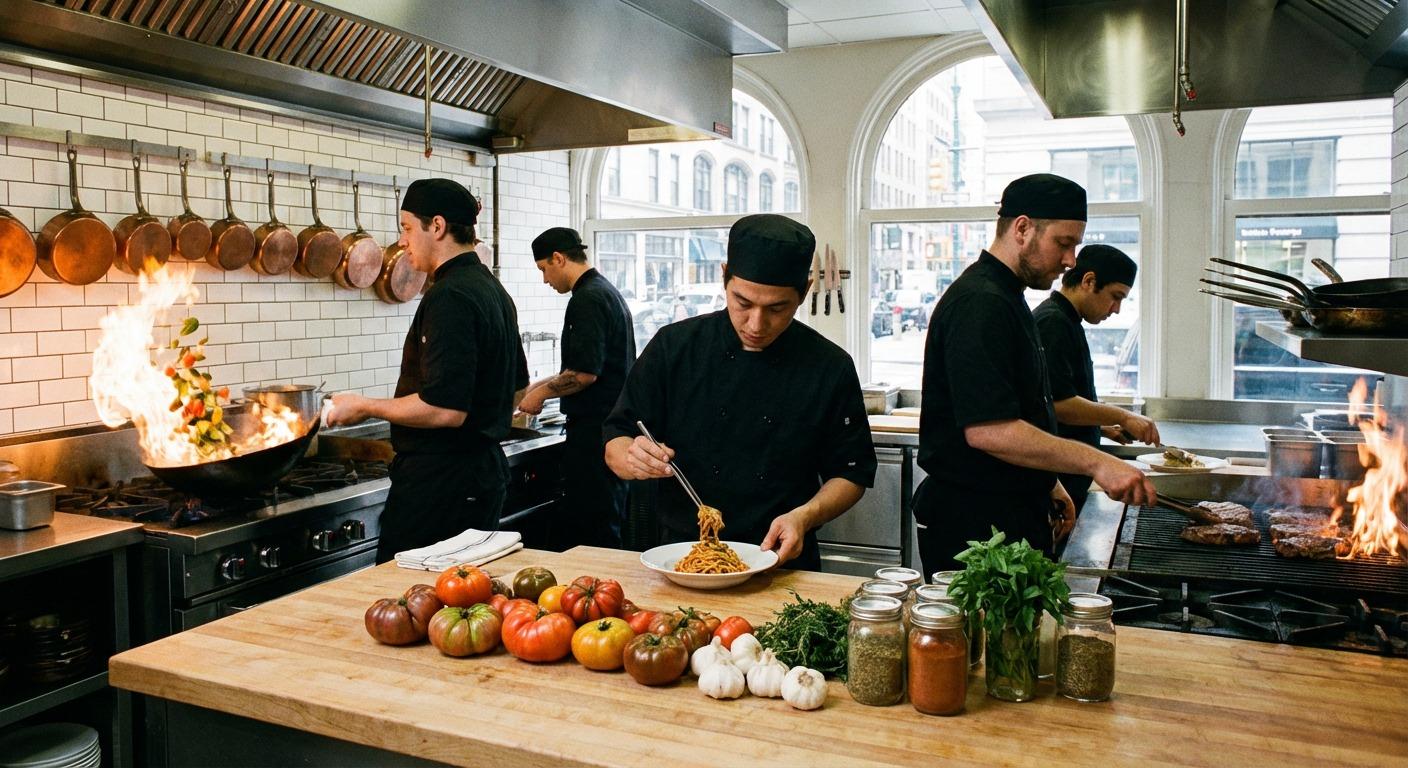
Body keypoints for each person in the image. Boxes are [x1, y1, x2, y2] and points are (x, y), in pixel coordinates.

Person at [602, 214, 877, 570]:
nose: (756, 324)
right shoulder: (674, 347)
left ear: (805, 291)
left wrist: (805, 516)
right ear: (724, 277)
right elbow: (617, 440)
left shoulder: (829, 366)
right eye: (743, 303)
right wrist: (632, 458)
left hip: (783, 561)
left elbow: (851, 473)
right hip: (683, 559)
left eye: (777, 308)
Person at [913, 173, 1156, 573]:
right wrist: (1096, 462)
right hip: (975, 524)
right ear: (1023, 229)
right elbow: (989, 430)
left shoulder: (1009, 297)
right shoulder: (981, 302)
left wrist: (1048, 481)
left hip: (1005, 511)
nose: (1071, 260)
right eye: (1064, 243)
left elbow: (1026, 408)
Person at [328, 179, 528, 563]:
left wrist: (365, 406)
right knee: (460, 593)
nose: (402, 241)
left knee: (409, 591)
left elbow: (445, 409)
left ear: (436, 226)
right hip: (479, 476)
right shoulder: (492, 289)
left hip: (442, 485)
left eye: (406, 228)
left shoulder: (450, 295)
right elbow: (518, 387)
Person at [518, 227, 635, 549]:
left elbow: (584, 374)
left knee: (596, 526)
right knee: (603, 519)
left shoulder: (587, 299)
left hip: (594, 434)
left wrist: (540, 395)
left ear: (559, 258)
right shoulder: (604, 291)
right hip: (609, 428)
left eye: (544, 269)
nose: (545, 280)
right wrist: (535, 385)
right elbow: (583, 366)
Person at [1033, 244, 1161, 514]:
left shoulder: (1067, 320)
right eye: (1116, 296)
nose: (1116, 309)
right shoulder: (1053, 323)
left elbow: (1059, 400)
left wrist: (1099, 427)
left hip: (1071, 479)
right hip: (1057, 481)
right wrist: (1123, 416)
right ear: (1089, 281)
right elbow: (1058, 405)